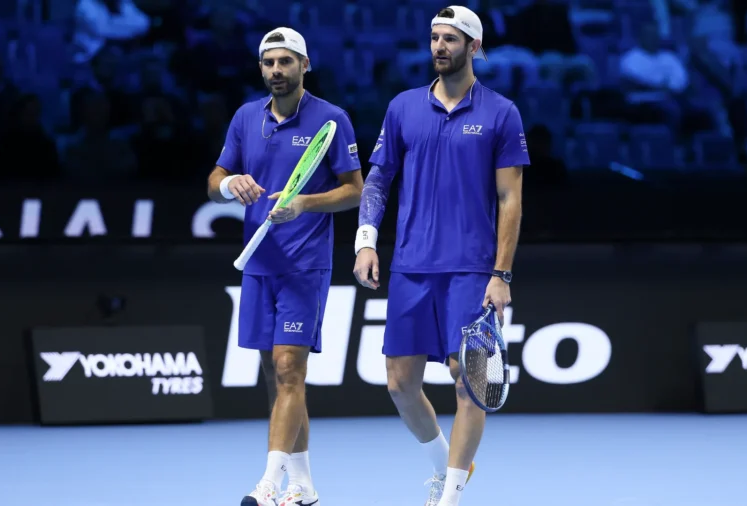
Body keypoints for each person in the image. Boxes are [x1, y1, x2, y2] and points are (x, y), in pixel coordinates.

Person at [352, 6, 530, 506]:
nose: (439, 47)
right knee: (399, 383)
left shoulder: (501, 112)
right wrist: (366, 239)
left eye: (450, 39)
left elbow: (510, 199)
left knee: (468, 381)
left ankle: (449, 495)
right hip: (411, 266)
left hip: (472, 270)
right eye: (434, 38)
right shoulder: (403, 107)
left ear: (474, 48)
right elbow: (380, 179)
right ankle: (446, 465)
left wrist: (502, 273)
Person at [206, 27, 363, 506]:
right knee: (276, 379)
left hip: (304, 265)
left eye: (286, 62)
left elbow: (355, 189)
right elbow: (213, 181)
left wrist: (305, 204)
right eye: (269, 63)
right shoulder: (244, 117)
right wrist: (231, 184)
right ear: (261, 68)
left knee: (289, 368)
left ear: (304, 65)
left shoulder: (331, 119)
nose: (277, 70)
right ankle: (306, 486)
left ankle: (268, 483)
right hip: (258, 264)